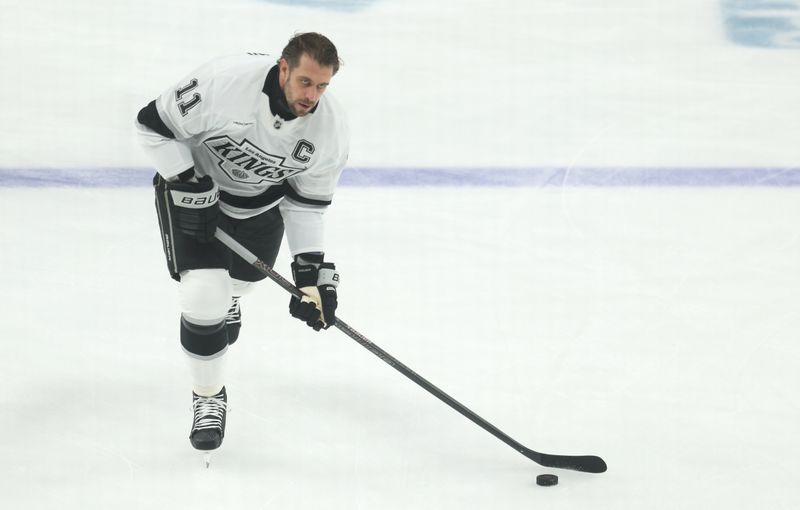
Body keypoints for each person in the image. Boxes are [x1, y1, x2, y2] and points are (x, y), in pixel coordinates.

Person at [135, 32, 349, 453]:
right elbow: (151, 126)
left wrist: (309, 271)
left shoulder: (330, 130)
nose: (313, 95)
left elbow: (306, 205)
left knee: (242, 282)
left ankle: (232, 295)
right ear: (284, 68)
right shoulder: (225, 83)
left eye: (322, 86)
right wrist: (187, 180)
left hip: (258, 208)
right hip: (192, 196)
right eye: (306, 82)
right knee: (202, 296)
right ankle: (208, 395)